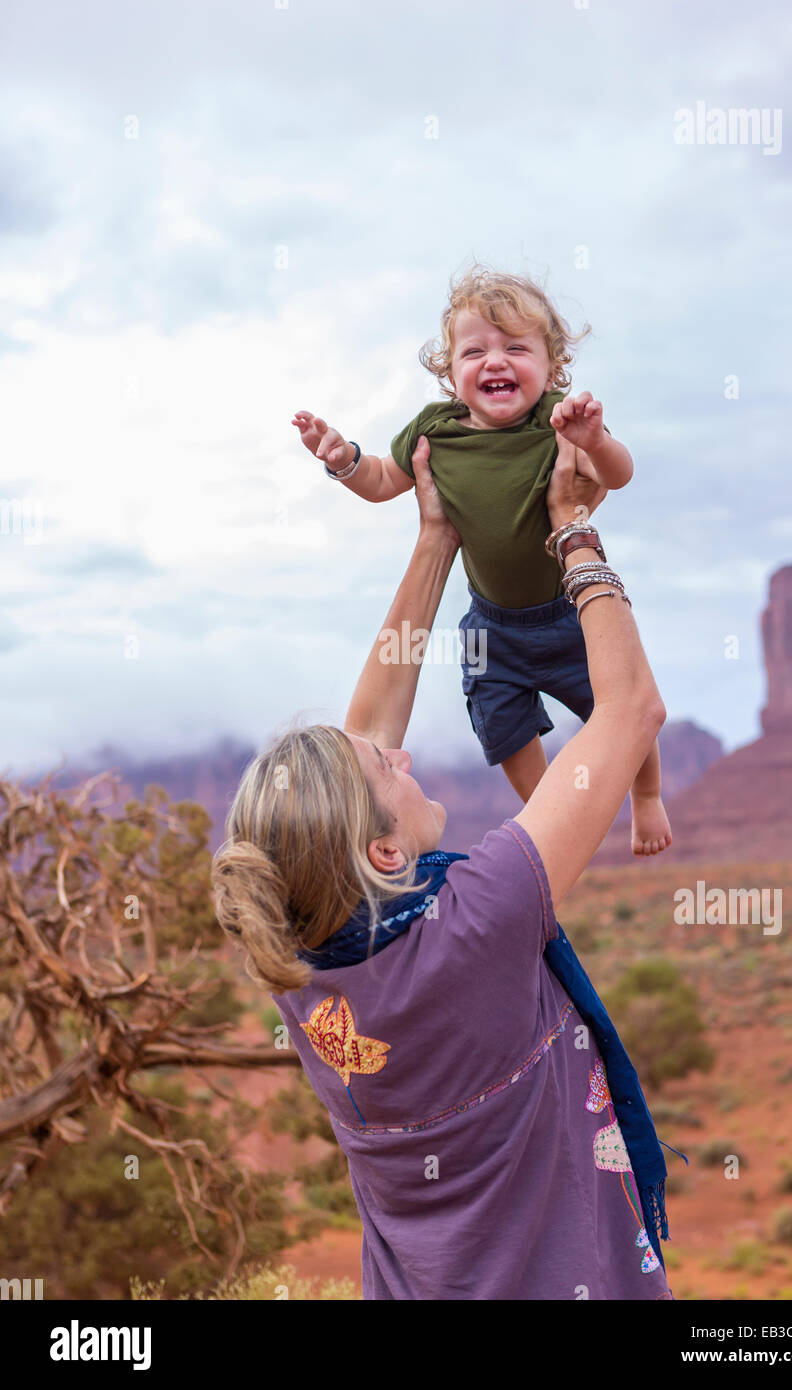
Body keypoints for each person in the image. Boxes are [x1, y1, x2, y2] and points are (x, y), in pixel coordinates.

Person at [211, 434, 679, 1300]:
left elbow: (366, 736)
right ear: (384, 853)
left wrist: (436, 538)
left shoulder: (297, 953)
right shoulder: (480, 918)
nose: (407, 759)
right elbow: (632, 711)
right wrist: (574, 532)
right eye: (389, 769)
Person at [291, 263, 672, 857]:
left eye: (516, 348)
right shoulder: (434, 431)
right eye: (474, 351)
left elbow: (618, 476)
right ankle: (552, 811)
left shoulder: (559, 424)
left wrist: (595, 439)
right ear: (450, 373)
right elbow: (382, 481)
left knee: (618, 701)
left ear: (551, 368)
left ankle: (646, 797)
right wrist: (342, 459)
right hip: (490, 623)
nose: (495, 361)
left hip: (565, 613)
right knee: (497, 717)